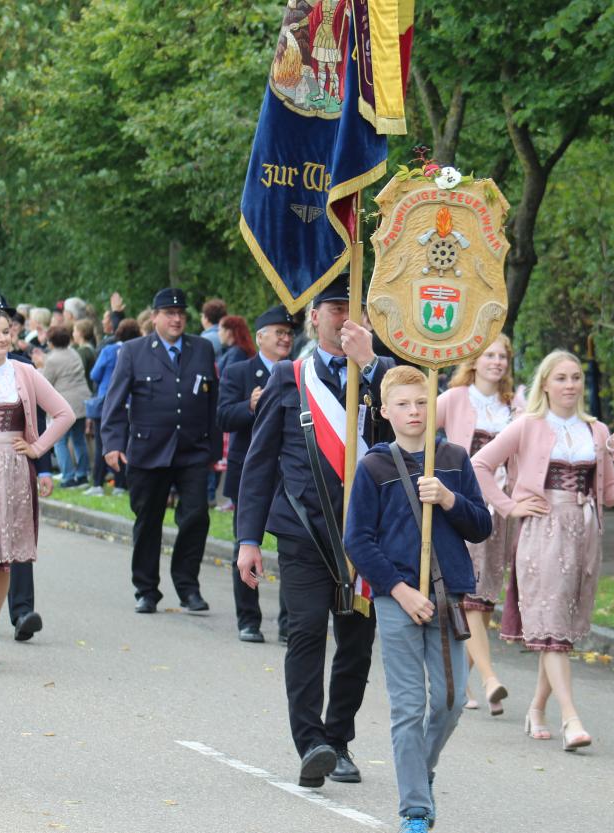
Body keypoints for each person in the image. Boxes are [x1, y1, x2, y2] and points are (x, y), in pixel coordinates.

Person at [236, 276, 394, 788]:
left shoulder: (384, 376)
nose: (345, 316)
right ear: (315, 316)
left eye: (354, 308)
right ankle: (311, 744)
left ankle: (338, 738)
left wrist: (373, 366)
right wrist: (248, 539)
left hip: (365, 536)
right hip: (304, 531)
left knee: (356, 644)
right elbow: (260, 463)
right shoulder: (290, 376)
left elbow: (412, 432)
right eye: (335, 307)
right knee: (305, 632)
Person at [473, 350, 614, 750]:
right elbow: (479, 465)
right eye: (561, 378)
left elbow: (607, 492)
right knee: (551, 626)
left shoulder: (597, 431)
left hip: (584, 535)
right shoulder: (528, 425)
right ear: (546, 384)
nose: (570, 385)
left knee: (560, 632)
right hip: (542, 534)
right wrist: (508, 506)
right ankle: (571, 719)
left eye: (575, 378)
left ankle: (537, 708)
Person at [344, 365, 492, 833]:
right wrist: (399, 590)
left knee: (451, 700)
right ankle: (415, 808)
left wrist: (449, 500)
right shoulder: (374, 467)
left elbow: (481, 525)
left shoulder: (453, 458)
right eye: (403, 404)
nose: (414, 411)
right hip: (398, 599)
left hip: (448, 597)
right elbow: (357, 540)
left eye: (422, 402)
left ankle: (419, 772)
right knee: (408, 706)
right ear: (386, 412)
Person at [0, 308, 75, 668]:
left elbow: (65, 413)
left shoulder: (24, 372)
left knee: (3, 557)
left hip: (13, 470)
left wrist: (38, 448)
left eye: (5, 332)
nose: (2, 339)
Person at [101, 288, 219, 614]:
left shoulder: (202, 349)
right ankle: (146, 589)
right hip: (148, 451)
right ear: (154, 317)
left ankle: (188, 585)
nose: (176, 319)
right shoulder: (133, 351)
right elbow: (114, 401)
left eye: (180, 313)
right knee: (148, 521)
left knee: (196, 516)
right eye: (169, 313)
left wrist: (213, 447)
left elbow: (212, 400)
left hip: (192, 450)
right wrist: (112, 443)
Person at [435, 333, 522, 715]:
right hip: (465, 504)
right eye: (489, 355)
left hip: (501, 505)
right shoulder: (456, 398)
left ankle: (457, 682)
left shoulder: (515, 405)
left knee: (484, 599)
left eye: (502, 356)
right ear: (474, 360)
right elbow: (418, 426)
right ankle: (489, 680)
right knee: (469, 595)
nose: (497, 362)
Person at [216, 305, 294, 643]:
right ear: (260, 337)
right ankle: (248, 620)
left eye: (289, 333)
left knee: (294, 548)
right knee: (246, 545)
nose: (285, 339)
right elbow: (222, 417)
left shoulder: (299, 371)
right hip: (249, 475)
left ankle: (290, 623)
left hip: (290, 474)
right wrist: (248, 406)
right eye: (279, 333)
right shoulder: (239, 372)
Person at [85, 318, 141, 496]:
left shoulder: (109, 350)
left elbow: (94, 374)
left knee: (103, 443)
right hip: (130, 402)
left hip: (107, 402)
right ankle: (120, 485)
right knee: (124, 443)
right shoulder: (139, 351)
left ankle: (97, 484)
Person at [42, 325, 91, 488]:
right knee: (79, 439)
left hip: (64, 404)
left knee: (59, 441)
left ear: (51, 341)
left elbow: (45, 383)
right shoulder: (74, 353)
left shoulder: (52, 359)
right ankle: (82, 475)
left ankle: (68, 477)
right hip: (81, 400)